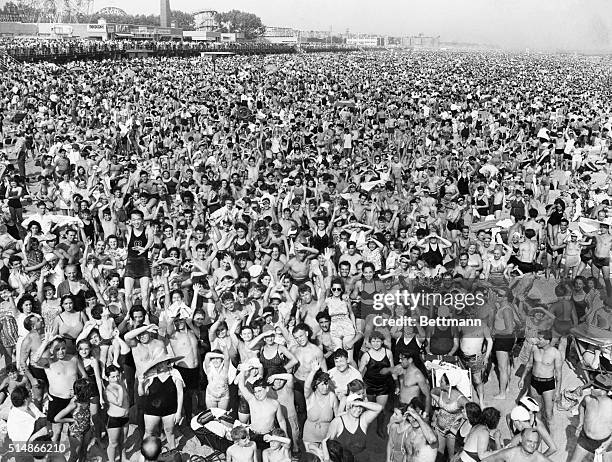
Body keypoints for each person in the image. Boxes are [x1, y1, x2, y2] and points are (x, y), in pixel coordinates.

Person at [139, 354, 185, 450]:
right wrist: (140, 383)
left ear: (167, 362)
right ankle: (146, 454)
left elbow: (180, 394)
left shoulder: (175, 373)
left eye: (162, 362)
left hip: (170, 410)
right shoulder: (150, 375)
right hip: (151, 410)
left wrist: (179, 412)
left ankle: (173, 453)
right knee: (149, 432)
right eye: (157, 363)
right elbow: (142, 393)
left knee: (170, 432)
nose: (160, 365)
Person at [518, 330, 562, 427]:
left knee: (548, 413)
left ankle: (551, 435)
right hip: (534, 383)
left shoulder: (555, 353)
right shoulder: (534, 349)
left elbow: (558, 374)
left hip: (548, 385)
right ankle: (538, 432)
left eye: (540, 339)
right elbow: (529, 365)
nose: (537, 341)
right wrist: (522, 378)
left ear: (547, 340)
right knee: (536, 410)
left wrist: (558, 391)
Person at [322, 394, 383, 461]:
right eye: (355, 407)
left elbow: (379, 408)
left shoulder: (363, 420)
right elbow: (326, 441)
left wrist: (360, 403)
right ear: (348, 407)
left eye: (360, 407)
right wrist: (326, 458)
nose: (358, 410)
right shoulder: (338, 422)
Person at [567, 388, 612, 462]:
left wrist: (609, 441)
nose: (592, 389)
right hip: (585, 440)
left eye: (595, 388)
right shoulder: (588, 399)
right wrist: (581, 421)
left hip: (605, 442)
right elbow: (581, 406)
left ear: (604, 391)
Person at [54, 378, 92, 462]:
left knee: (84, 451)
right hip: (76, 432)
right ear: (83, 391)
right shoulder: (74, 403)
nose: (91, 390)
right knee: (74, 456)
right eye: (88, 389)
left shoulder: (87, 399)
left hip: (87, 428)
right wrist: (72, 420)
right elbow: (57, 418)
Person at [105, 365, 130, 462]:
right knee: (113, 443)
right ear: (107, 378)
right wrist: (120, 388)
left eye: (117, 376)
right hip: (113, 419)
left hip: (125, 417)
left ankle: (123, 458)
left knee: (123, 440)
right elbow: (119, 403)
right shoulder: (107, 391)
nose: (116, 379)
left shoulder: (122, 383)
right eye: (113, 377)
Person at [482, 428, 553, 462]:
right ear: (521, 440)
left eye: (535, 442)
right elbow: (486, 460)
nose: (532, 445)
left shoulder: (538, 457)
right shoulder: (510, 453)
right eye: (529, 441)